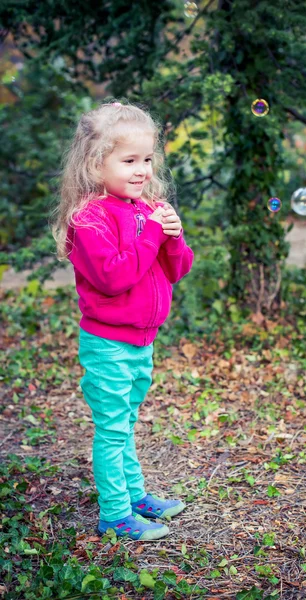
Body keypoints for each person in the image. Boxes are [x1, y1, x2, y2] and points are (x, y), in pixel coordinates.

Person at [49, 101, 194, 541]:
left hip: (141, 342)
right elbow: (115, 279)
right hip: (108, 344)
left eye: (147, 159)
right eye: (129, 160)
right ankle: (115, 514)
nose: (142, 170)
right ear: (96, 164)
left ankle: (134, 496)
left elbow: (177, 269)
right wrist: (152, 232)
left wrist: (172, 236)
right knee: (112, 432)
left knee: (125, 424)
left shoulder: (143, 207)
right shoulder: (88, 219)